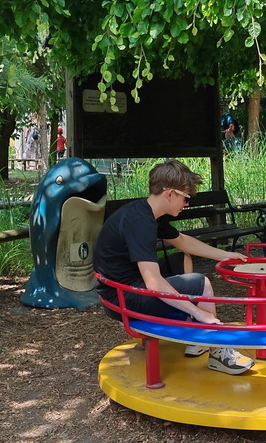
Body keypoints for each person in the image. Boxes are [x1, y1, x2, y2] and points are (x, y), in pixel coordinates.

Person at [93, 159, 255, 375]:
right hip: (122, 298)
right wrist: (198, 312)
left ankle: (197, 336)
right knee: (201, 283)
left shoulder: (147, 212)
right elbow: (153, 282)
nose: (186, 204)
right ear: (170, 194)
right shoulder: (141, 223)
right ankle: (218, 352)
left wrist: (227, 255)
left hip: (122, 286)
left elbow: (183, 242)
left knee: (182, 259)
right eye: (186, 198)